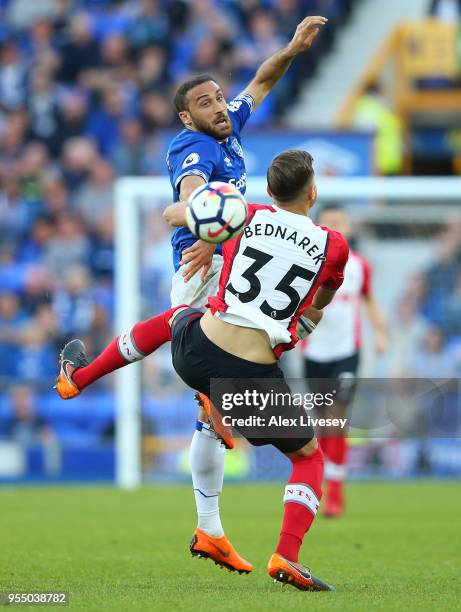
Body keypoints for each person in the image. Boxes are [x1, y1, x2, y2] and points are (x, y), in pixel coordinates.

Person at [54, 149, 348, 591]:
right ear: (314, 192)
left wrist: (193, 217)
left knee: (172, 318)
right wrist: (299, 325)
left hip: (198, 351)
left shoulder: (246, 215)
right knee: (308, 458)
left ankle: (79, 378)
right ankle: (287, 556)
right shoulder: (335, 245)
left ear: (268, 192)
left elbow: (182, 214)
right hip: (256, 373)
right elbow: (318, 306)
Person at [161, 14, 328, 572]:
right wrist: (208, 228)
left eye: (218, 98)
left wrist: (294, 48)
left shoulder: (228, 125)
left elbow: (261, 80)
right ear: (189, 117)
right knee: (220, 398)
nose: (219, 107)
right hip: (201, 269)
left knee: (211, 416)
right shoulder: (193, 146)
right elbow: (188, 195)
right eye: (206, 104)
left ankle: (209, 530)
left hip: (224, 268)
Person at [302, 203, 387, 517]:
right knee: (324, 423)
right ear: (319, 227)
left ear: (349, 227)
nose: (336, 227)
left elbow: (369, 300)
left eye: (341, 222)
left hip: (346, 352)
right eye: (330, 222)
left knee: (337, 417)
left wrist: (380, 333)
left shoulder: (359, 265)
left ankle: (335, 491)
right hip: (314, 353)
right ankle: (326, 481)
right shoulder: (307, 263)